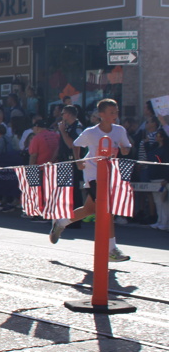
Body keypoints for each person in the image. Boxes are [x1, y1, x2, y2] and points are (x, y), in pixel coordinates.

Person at [49, 99, 133, 261]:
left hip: (109, 174)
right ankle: (111, 249)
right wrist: (78, 161)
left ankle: (60, 222)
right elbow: (76, 144)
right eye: (111, 112)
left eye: (116, 111)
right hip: (93, 173)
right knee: (107, 208)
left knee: (89, 209)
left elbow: (126, 147)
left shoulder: (119, 130)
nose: (115, 115)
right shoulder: (91, 132)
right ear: (101, 114)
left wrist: (125, 149)